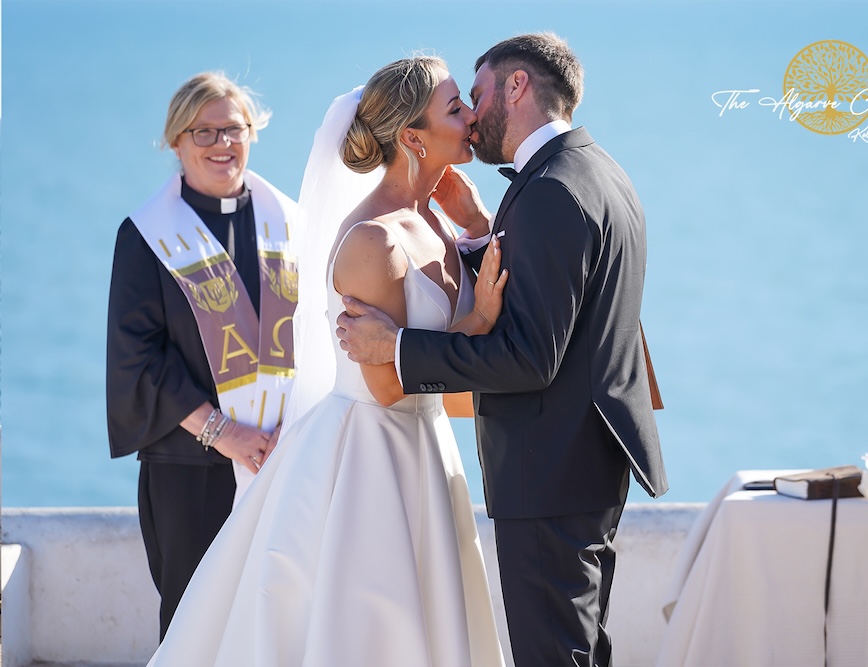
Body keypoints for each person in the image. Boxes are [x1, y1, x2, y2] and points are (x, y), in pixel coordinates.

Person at [144, 56, 508, 666]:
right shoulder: (374, 241)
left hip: (427, 449)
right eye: (455, 108)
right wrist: (482, 322)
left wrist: (474, 225)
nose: (472, 117)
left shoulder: (434, 223)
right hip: (374, 460)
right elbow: (389, 388)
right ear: (413, 137)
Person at [337, 33, 669, 667]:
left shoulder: (547, 191)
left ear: (517, 87)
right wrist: (485, 231)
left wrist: (397, 346)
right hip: (585, 463)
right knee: (579, 650)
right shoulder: (596, 170)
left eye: (476, 94)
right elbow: (555, 300)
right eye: (457, 105)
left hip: (550, 470)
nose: (472, 114)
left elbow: (528, 356)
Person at [106, 71, 296, 639]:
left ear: (251, 133)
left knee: (273, 623)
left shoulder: (286, 223)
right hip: (191, 465)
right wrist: (222, 432)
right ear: (177, 142)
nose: (221, 144)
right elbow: (137, 359)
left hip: (277, 458)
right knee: (197, 629)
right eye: (204, 132)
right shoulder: (146, 236)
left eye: (233, 129)